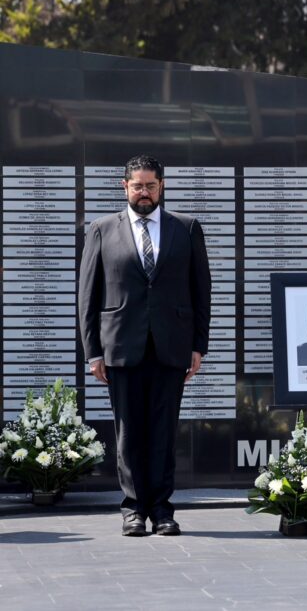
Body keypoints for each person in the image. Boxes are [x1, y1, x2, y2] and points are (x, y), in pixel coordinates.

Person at [78, 155, 211, 537]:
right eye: (137, 185)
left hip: (171, 348)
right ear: (125, 186)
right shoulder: (102, 230)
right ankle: (133, 509)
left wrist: (198, 345)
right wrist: (93, 351)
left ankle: (163, 510)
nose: (144, 192)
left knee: (164, 433)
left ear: (162, 186)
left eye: (151, 185)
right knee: (129, 432)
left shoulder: (185, 228)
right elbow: (88, 295)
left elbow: (202, 291)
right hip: (121, 347)